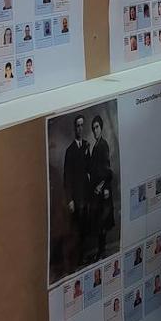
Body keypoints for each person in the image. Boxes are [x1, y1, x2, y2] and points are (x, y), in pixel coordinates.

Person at [63, 114, 92, 269]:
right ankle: (74, 262)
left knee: (85, 228)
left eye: (82, 125)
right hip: (76, 198)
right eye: (77, 126)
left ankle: (82, 258)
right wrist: (70, 200)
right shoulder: (70, 151)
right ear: (74, 128)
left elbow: (89, 168)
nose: (80, 128)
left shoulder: (86, 146)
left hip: (85, 196)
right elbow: (67, 177)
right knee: (76, 230)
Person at [86, 114, 115, 262]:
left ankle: (102, 251)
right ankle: (100, 250)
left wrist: (101, 186)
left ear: (101, 128)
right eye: (93, 128)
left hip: (103, 190)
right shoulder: (95, 146)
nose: (95, 130)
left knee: (102, 222)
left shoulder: (103, 145)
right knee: (98, 222)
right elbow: (92, 168)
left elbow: (108, 171)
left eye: (97, 127)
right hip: (96, 192)